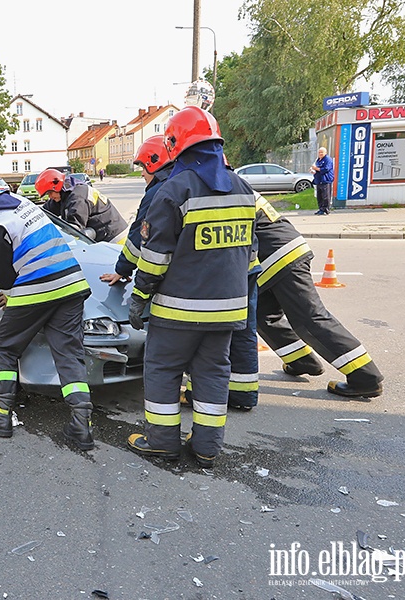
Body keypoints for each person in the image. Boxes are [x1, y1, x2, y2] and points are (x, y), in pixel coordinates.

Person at [126, 106, 256, 468]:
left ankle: (163, 442)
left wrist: (139, 297)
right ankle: (206, 448)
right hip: (228, 310)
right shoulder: (243, 189)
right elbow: (249, 250)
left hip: (178, 311)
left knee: (163, 371)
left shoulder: (175, 189)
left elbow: (155, 257)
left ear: (174, 143)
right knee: (213, 374)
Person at [0, 172, 95, 450]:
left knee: (3, 347)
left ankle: (1, 417)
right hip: (72, 282)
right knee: (68, 353)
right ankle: (81, 425)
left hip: (38, 287)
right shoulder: (16, 201)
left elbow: (4, 276)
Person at [253, 192, 383, 397]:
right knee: (263, 315)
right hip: (278, 252)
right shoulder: (231, 183)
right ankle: (301, 360)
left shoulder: (219, 187)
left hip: (276, 255)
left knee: (310, 318)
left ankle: (365, 377)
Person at [100, 135, 174, 286]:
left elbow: (139, 234)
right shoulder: (184, 183)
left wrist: (122, 269)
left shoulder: (158, 193)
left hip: (167, 279)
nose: (142, 174)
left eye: (143, 168)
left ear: (154, 163)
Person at [36, 168, 129, 244]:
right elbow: (44, 212)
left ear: (57, 186)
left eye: (50, 193)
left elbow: (73, 231)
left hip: (115, 239)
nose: (50, 197)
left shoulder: (78, 197)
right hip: (104, 238)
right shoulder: (64, 193)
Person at [311, 147, 334, 215]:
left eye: (322, 152)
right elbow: (316, 168)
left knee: (325, 196)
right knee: (319, 196)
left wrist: (316, 169)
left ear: (325, 153)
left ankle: (326, 209)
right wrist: (313, 170)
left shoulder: (328, 159)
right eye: (319, 152)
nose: (320, 154)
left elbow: (326, 169)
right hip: (319, 180)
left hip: (325, 180)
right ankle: (320, 208)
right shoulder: (318, 160)